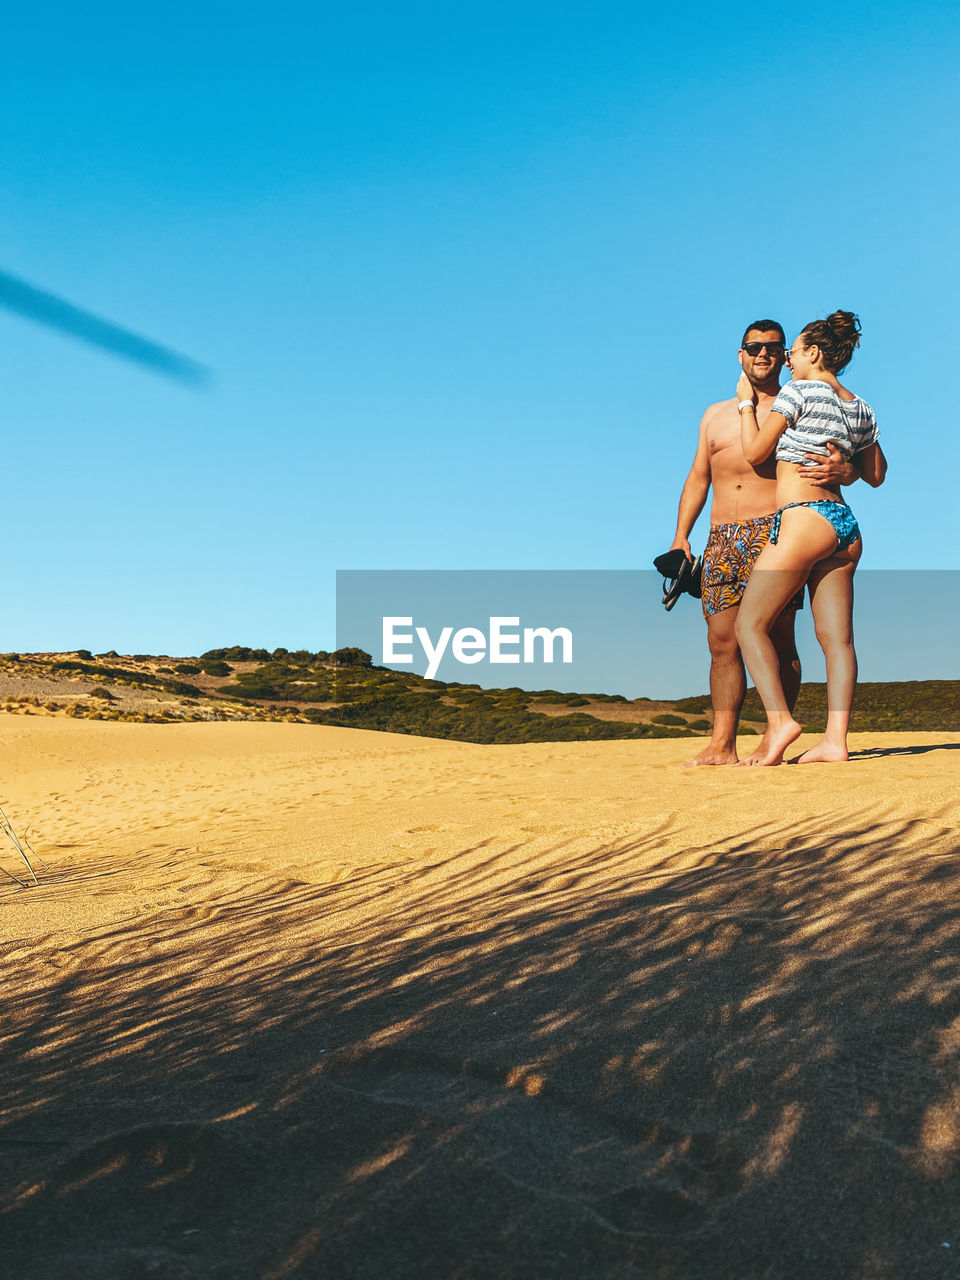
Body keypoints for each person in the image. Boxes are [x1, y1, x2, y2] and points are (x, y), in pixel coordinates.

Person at [669, 319, 860, 766]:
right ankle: (721, 743)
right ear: (740, 354)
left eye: (775, 348)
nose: (764, 354)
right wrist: (681, 536)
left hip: (774, 528)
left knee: (779, 639)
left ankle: (777, 732)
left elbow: (843, 459)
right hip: (721, 537)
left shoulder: (799, 402)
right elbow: (698, 476)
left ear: (786, 355)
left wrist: (845, 473)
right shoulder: (715, 414)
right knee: (721, 642)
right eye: (753, 347)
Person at [734, 311, 887, 766]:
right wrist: (849, 470)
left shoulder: (799, 390)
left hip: (803, 518)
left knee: (749, 625)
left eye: (793, 353)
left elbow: (756, 452)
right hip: (844, 525)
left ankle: (780, 721)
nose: (786, 361)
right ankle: (836, 741)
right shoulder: (861, 406)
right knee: (837, 641)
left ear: (814, 353)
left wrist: (746, 404)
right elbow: (876, 475)